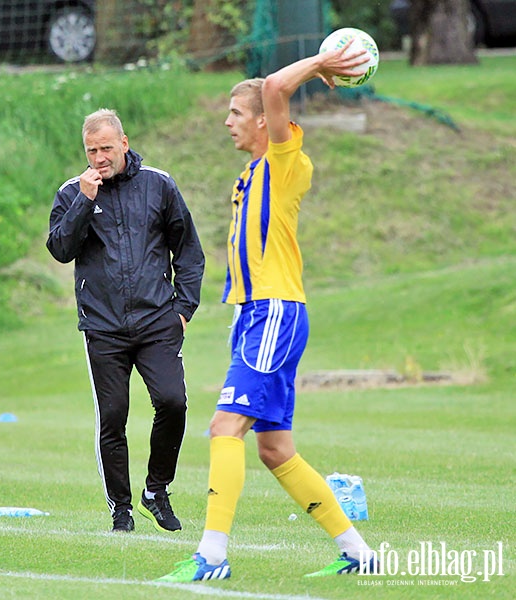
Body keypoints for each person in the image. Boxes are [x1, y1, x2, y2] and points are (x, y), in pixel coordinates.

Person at [157, 44, 379, 582]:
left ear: (264, 121)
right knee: (276, 450)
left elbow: (278, 88)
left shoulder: (284, 160)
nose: (227, 121)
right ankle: (360, 553)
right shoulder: (250, 174)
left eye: (236, 112)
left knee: (223, 426)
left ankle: (211, 556)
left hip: (273, 313)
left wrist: (322, 64)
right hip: (254, 317)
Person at [47, 109, 206, 533]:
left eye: (105, 148)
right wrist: (85, 200)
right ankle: (121, 508)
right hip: (102, 327)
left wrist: (183, 309)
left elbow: (188, 250)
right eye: (91, 150)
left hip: (157, 320)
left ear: (124, 143)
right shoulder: (72, 192)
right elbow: (61, 249)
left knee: (173, 402)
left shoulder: (159, 184)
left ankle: (157, 489)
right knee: (113, 415)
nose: (99, 157)